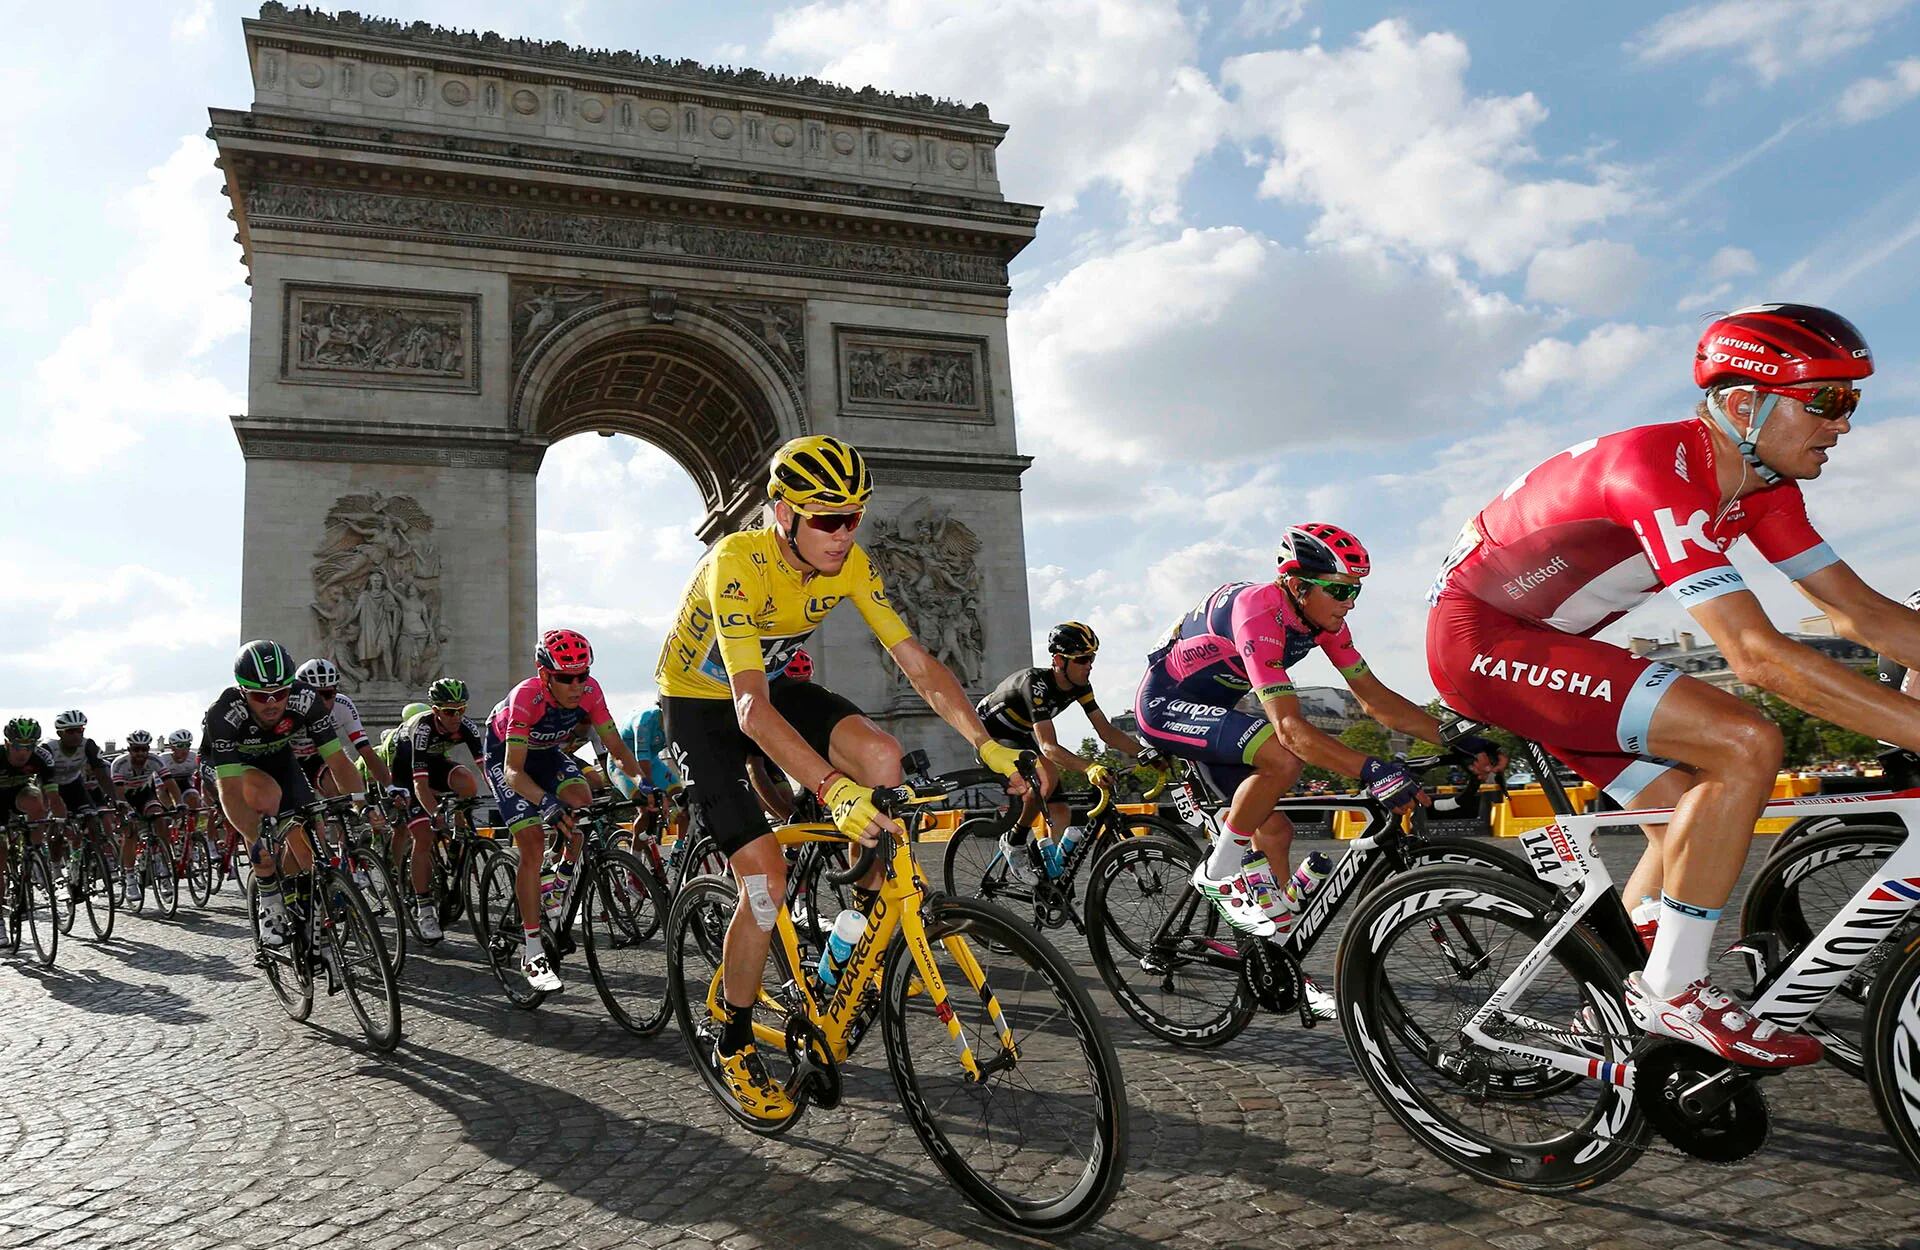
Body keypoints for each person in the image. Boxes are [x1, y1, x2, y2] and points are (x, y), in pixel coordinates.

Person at [1426, 303, 1920, 1069]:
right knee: (1743, 740)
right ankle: (1675, 990)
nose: (1844, 424)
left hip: (1549, 646)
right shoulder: (1658, 469)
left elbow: (1863, 615)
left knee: (1688, 809)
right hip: (1481, 643)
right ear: (1744, 404)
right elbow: (1754, 655)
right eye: (1827, 400)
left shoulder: (1762, 488)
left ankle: (1620, 1003)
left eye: (1851, 402)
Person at [655, 434, 1028, 1121]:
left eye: (855, 516)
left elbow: (917, 663)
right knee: (764, 881)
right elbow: (747, 709)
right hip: (702, 706)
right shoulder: (737, 562)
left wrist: (989, 743)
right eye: (828, 518)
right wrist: (832, 788)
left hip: (771, 686)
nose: (844, 533)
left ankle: (853, 930)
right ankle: (732, 1037)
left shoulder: (851, 563)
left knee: (883, 758)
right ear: (781, 513)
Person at [1137, 524, 1502, 1019]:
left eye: (1356, 590)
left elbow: (1375, 702)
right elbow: (1289, 728)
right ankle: (1217, 872)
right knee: (1281, 758)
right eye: (1340, 589)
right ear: (1297, 583)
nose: (1349, 602)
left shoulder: (1325, 624)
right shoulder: (1259, 613)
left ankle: (1280, 954)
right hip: (1166, 706)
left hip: (1217, 714)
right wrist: (1372, 768)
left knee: (1277, 831)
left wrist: (1456, 736)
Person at [483, 629, 646, 992]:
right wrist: (545, 803)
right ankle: (532, 949)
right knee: (532, 840)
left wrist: (643, 785)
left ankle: (559, 878)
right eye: (565, 678)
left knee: (583, 801)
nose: (577, 685)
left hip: (548, 753)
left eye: (582, 675)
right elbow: (513, 771)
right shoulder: (526, 697)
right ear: (545, 675)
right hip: (508, 757)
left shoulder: (591, 691)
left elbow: (616, 747)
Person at [202, 640, 374, 947]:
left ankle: (303, 903)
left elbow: (337, 761)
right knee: (267, 804)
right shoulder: (223, 714)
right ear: (243, 690)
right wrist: (255, 840)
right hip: (231, 766)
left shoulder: (307, 700)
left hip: (278, 758)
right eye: (260, 696)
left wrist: (362, 805)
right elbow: (230, 792)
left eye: (280, 694)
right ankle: (270, 903)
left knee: (310, 835)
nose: (272, 703)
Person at [977, 621, 1148, 884]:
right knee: (1048, 775)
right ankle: (1014, 841)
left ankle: (1052, 880)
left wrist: (1145, 754)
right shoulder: (1035, 685)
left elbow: (1106, 732)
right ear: (1058, 660)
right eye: (1082, 659)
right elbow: (1048, 747)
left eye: (1091, 658)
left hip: (1020, 734)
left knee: (1061, 810)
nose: (1089, 665)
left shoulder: (1081, 686)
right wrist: (1089, 767)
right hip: (990, 735)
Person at [111, 730, 184, 901]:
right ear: (130, 750)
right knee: (131, 831)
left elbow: (170, 783)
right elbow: (119, 794)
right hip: (125, 797)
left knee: (159, 816)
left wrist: (179, 803)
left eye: (144, 749)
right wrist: (128, 812)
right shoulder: (120, 764)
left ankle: (162, 864)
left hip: (145, 794)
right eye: (136, 750)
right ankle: (129, 878)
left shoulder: (154, 761)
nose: (141, 754)